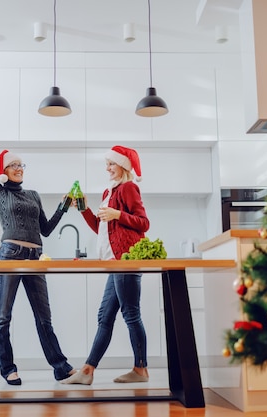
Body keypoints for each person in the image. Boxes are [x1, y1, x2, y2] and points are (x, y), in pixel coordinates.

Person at [0, 103, 74, 385]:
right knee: (2, 317)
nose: (18, 168)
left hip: (35, 256)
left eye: (21, 165)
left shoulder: (34, 195)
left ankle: (60, 368)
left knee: (44, 318)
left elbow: (46, 230)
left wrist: (63, 208)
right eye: (13, 165)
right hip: (10, 254)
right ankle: (7, 369)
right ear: (4, 171)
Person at [62, 145, 150, 385]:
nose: (107, 168)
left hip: (125, 260)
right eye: (107, 164)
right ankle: (88, 371)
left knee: (130, 314)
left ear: (122, 165)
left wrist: (117, 214)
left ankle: (140, 369)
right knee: (105, 316)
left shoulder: (129, 188)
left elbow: (143, 223)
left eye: (111, 163)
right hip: (114, 261)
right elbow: (100, 227)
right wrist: (82, 207)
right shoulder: (108, 193)